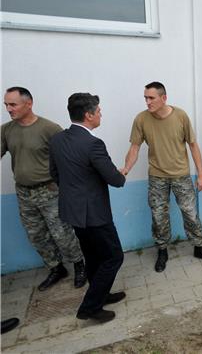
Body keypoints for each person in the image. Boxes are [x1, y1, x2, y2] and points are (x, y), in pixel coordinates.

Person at [121, 82, 202, 272]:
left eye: (151, 98)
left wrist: (201, 174)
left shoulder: (180, 116)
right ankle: (162, 250)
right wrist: (126, 168)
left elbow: (193, 145)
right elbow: (134, 147)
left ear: (164, 98)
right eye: (145, 98)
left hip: (181, 175)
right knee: (158, 216)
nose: (147, 102)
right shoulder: (141, 119)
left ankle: (199, 246)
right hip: (157, 177)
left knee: (190, 213)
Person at [49, 93, 126, 323]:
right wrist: (120, 174)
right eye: (99, 111)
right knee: (114, 257)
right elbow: (114, 179)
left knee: (93, 257)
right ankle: (90, 307)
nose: (101, 114)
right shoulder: (94, 144)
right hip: (94, 213)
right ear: (88, 115)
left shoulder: (57, 139)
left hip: (73, 211)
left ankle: (100, 294)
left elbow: (54, 173)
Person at [1, 86, 86, 291]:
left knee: (61, 233)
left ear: (28, 103)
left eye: (13, 104)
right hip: (24, 192)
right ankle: (56, 268)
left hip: (49, 191)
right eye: (6, 104)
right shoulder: (6, 130)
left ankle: (79, 265)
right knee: (36, 234)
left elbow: (68, 158)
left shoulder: (49, 129)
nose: (8, 109)